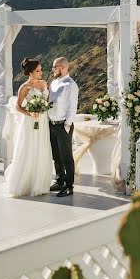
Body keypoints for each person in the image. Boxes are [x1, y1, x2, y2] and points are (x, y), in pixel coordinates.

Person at [3, 58, 54, 197]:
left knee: (41, 148)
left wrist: (44, 109)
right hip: (30, 122)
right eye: (38, 71)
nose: (41, 72)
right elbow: (18, 106)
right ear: (30, 72)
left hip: (42, 121)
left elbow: (47, 101)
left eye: (41, 70)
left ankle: (41, 183)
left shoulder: (44, 83)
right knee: (29, 148)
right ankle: (26, 183)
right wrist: (30, 113)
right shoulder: (24, 88)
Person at [49, 57, 79, 198]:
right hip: (52, 125)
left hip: (63, 126)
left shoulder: (71, 85)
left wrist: (67, 125)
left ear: (63, 67)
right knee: (56, 156)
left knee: (66, 157)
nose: (53, 69)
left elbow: (72, 107)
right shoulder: (53, 83)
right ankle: (60, 180)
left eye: (55, 67)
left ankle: (69, 186)